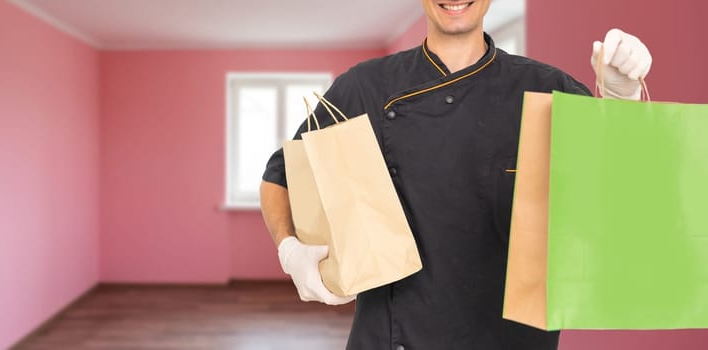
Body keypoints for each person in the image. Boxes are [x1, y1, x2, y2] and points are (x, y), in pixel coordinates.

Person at [260, 0, 652, 349]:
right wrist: (289, 250)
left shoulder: (548, 89)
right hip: (391, 337)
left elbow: (621, 190)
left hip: (515, 340)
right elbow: (281, 175)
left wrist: (625, 102)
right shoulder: (366, 86)